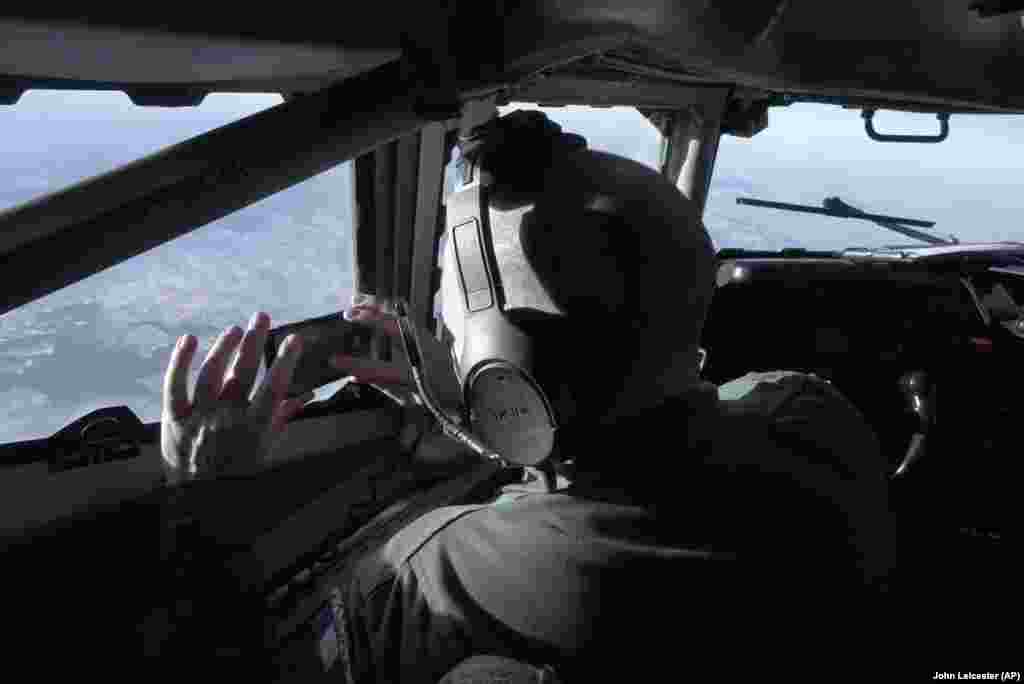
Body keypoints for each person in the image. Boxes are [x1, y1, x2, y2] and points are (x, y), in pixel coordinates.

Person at [161, 115, 892, 681]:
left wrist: (208, 503)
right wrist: (490, 417)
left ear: (497, 367)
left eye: (449, 329)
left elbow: (238, 667)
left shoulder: (431, 581)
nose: (445, 342)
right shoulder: (819, 426)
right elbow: (661, 428)